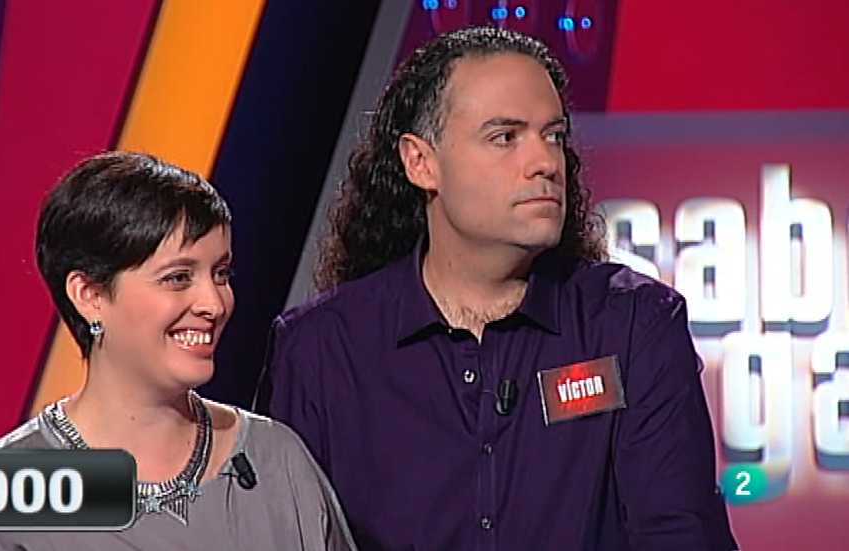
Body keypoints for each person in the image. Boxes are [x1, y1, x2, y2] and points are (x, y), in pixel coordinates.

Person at [255, 27, 738, 550]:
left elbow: (680, 535)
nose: (546, 162)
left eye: (554, 136)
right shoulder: (320, 349)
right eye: (505, 137)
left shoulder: (635, 325)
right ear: (421, 162)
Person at [0, 152, 356, 550]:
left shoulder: (277, 460)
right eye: (178, 277)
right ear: (89, 295)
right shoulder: (1, 494)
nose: (214, 303)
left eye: (221, 273)